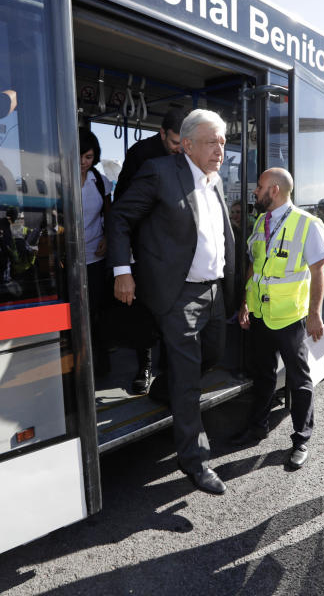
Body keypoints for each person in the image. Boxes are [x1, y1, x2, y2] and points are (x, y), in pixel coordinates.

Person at [107, 109, 235, 495]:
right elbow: (120, 218)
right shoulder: (161, 172)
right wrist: (121, 271)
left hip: (214, 290)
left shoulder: (215, 181)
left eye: (224, 141)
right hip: (178, 293)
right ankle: (194, 460)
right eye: (213, 141)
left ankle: (164, 390)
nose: (220, 148)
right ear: (189, 143)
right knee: (187, 378)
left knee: (213, 355)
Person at [233, 168, 324, 470]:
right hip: (260, 315)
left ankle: (301, 439)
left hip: (290, 318)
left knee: (299, 381)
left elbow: (318, 272)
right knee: (262, 375)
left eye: (258, 186)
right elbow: (254, 267)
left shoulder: (308, 224)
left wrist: (315, 314)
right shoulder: (262, 221)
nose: (254, 192)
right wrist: (244, 303)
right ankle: (257, 427)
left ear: (273, 190)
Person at [113, 108, 185, 392]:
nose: (180, 149)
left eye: (184, 143)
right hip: (145, 246)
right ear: (162, 134)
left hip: (177, 247)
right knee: (144, 311)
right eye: (174, 143)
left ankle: (169, 370)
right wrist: (124, 260)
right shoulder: (140, 155)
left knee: (174, 312)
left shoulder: (189, 154)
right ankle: (144, 367)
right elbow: (122, 206)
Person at [79, 128, 113, 377]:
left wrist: (107, 236)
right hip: (67, 259)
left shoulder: (100, 182)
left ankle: (100, 365)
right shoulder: (52, 179)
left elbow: (110, 215)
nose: (83, 162)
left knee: (96, 313)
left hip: (94, 257)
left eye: (89, 157)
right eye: (79, 155)